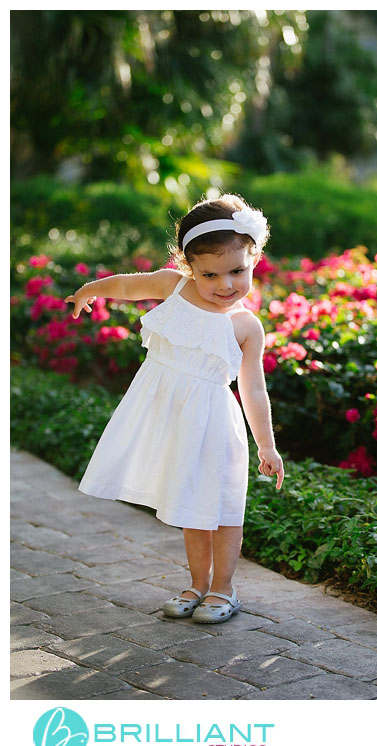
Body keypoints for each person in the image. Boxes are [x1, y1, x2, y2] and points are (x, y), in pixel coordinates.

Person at [66, 194, 284, 624]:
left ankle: (224, 589)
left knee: (220, 509)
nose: (226, 285)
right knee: (191, 508)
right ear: (188, 267)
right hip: (170, 419)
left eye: (238, 271)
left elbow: (253, 389)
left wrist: (267, 446)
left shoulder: (245, 326)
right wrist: (91, 290)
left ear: (254, 259)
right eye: (210, 274)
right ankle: (197, 583)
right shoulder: (175, 287)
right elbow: (129, 286)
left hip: (214, 425)